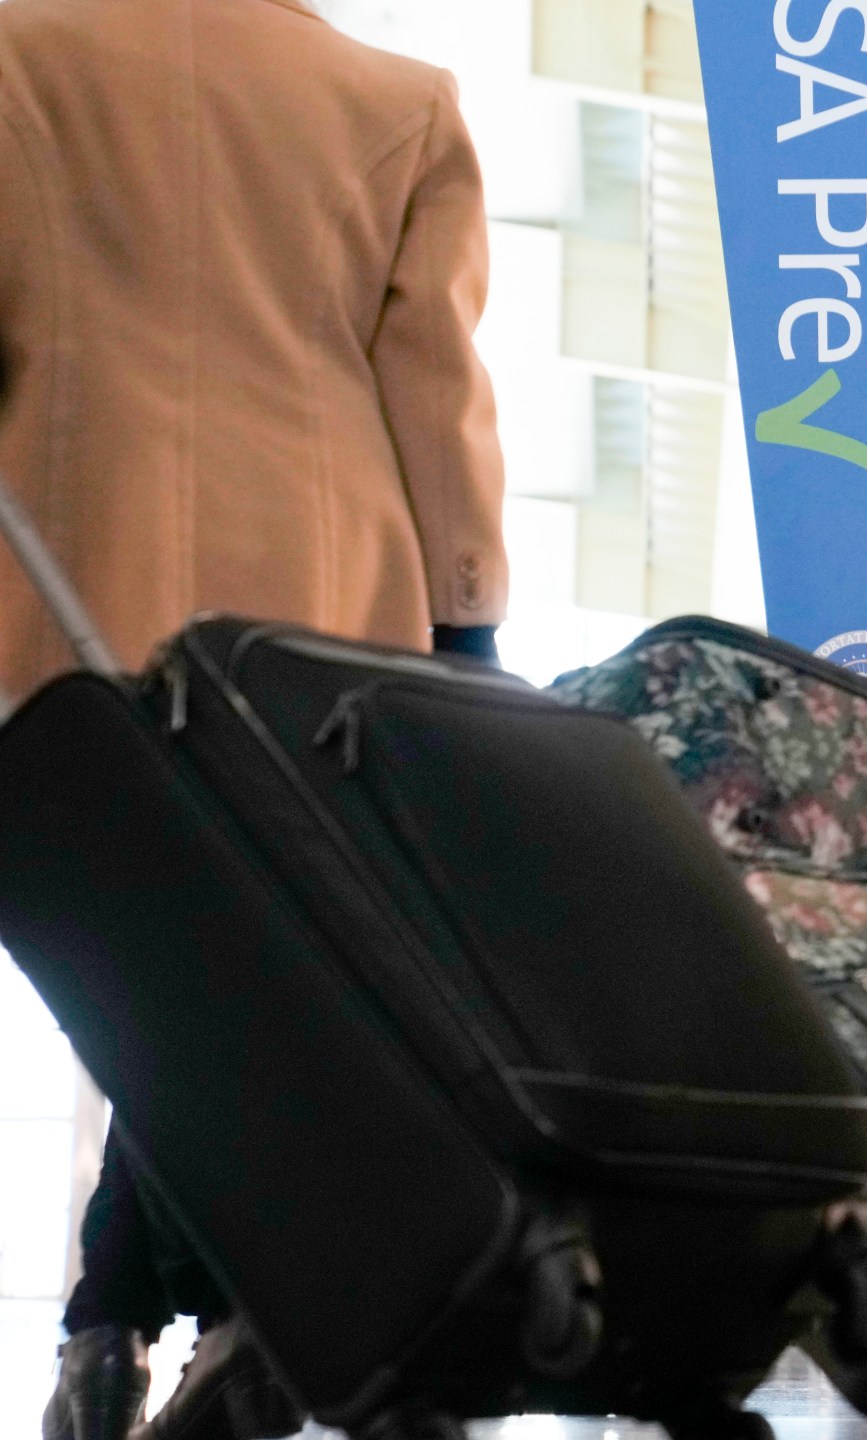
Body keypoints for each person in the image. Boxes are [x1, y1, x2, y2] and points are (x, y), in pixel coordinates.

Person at [0, 0, 511, 1435]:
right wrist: (466, 622)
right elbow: (438, 398)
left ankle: (112, 1336)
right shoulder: (398, 102)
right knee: (253, 992)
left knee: (157, 983)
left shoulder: (19, 57)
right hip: (316, 630)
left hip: (62, 599)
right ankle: (221, 1318)